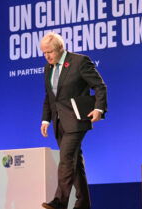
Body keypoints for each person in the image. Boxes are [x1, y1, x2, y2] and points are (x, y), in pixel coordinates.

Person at [40, 32, 107, 209]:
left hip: (77, 119)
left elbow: (99, 86)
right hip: (58, 121)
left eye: (50, 52)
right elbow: (50, 96)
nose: (46, 56)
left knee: (66, 157)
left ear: (60, 49)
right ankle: (83, 203)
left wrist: (99, 108)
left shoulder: (79, 62)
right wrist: (45, 120)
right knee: (74, 161)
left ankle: (60, 201)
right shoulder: (48, 68)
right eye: (44, 53)